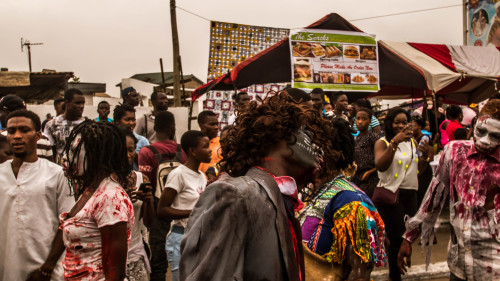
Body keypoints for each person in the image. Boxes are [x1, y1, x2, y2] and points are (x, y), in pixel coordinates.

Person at [179, 92, 335, 281]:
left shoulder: (279, 197)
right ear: (281, 137)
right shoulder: (234, 193)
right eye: (307, 133)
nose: (317, 145)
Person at [399, 100, 500, 280]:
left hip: (493, 269)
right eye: (481, 132)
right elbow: (433, 198)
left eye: (495, 136)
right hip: (459, 265)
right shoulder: (454, 152)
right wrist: (409, 237)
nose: (485, 141)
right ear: (474, 124)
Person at [37, 120, 134, 280]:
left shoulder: (110, 198)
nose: (66, 157)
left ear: (97, 156)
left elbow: (114, 274)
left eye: (76, 150)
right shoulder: (90, 190)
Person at [300, 118, 386, 281]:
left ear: (332, 154)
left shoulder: (353, 202)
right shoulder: (311, 192)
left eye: (311, 146)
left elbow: (359, 274)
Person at [1, 110, 74, 280]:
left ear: (38, 135)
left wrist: (47, 268)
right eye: (11, 131)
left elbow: (67, 223)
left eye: (24, 130)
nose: (17, 136)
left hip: (47, 270)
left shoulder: (56, 174)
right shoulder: (1, 173)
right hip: (6, 268)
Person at [373, 107, 433, 281]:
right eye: (396, 122)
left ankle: (398, 270)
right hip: (391, 196)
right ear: (390, 124)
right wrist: (394, 143)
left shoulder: (413, 142)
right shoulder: (383, 142)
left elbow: (418, 171)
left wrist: (424, 157)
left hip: (410, 195)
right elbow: (380, 165)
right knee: (396, 238)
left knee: (408, 236)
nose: (401, 126)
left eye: (404, 122)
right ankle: (394, 276)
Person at [138, 110, 186, 281]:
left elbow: (146, 184)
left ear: (155, 128)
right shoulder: (182, 150)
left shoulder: (146, 152)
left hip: (158, 212)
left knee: (158, 262)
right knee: (182, 259)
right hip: (181, 212)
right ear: (173, 128)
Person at [157, 130, 211, 281]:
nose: (210, 150)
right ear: (193, 151)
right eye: (205, 146)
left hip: (198, 236)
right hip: (180, 237)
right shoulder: (178, 174)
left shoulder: (201, 176)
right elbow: (162, 210)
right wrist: (194, 212)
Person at [119, 126, 155, 281]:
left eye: (131, 150)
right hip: (111, 257)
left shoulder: (141, 179)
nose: (127, 155)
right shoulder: (104, 181)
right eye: (122, 150)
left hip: (135, 254)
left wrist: (148, 201)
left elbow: (149, 222)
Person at [0, 94, 54, 162]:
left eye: (1, 112)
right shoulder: (44, 138)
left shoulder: (4, 139)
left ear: (7, 113)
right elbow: (50, 165)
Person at [44, 88, 86, 164]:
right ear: (67, 103)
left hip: (81, 171)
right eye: (77, 103)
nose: (81, 106)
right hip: (60, 170)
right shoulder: (52, 124)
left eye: (83, 103)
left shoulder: (87, 125)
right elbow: (50, 151)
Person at [351, 107, 380, 198]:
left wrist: (370, 172)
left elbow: (382, 160)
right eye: (358, 119)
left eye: (364, 119)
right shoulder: (357, 138)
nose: (360, 122)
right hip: (358, 177)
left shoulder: (373, 137)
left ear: (370, 121)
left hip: (371, 178)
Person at [113, 103, 150, 170]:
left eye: (133, 120)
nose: (131, 123)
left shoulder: (142, 141)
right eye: (127, 120)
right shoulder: (111, 139)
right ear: (117, 121)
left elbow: (148, 165)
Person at [411, 115, 434, 206]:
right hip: (414, 172)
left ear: (420, 126)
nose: (412, 128)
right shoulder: (411, 139)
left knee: (422, 200)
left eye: (414, 126)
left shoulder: (425, 139)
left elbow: (431, 157)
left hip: (424, 173)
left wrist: (424, 158)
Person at [197, 110, 222, 176]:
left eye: (217, 124)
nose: (216, 127)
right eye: (212, 124)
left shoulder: (222, 143)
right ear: (201, 126)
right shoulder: (195, 144)